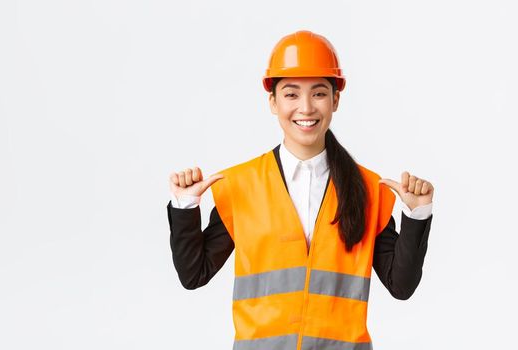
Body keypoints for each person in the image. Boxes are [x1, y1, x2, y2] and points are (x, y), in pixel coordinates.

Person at [166, 30, 435, 350]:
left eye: (319, 93)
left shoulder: (367, 189)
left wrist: (417, 214)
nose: (306, 107)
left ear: (335, 99)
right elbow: (194, 275)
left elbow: (401, 285)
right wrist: (185, 206)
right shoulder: (240, 186)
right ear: (273, 101)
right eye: (291, 94)